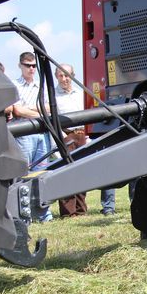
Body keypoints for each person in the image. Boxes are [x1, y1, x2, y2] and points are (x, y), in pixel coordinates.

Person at [11, 52, 53, 221]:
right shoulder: (14, 85)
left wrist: (29, 109)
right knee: (24, 173)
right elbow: (17, 110)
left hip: (41, 133)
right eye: (27, 65)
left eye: (34, 65)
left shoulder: (40, 85)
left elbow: (49, 107)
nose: (31, 69)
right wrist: (38, 110)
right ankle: (24, 215)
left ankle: (44, 214)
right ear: (20, 65)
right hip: (24, 135)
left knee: (42, 173)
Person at [54, 64, 89, 217]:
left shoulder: (81, 93)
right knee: (66, 172)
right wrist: (63, 137)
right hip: (66, 135)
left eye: (67, 75)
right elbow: (52, 119)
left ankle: (81, 210)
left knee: (82, 172)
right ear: (56, 77)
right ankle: (68, 212)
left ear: (72, 76)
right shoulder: (52, 95)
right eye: (61, 75)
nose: (64, 79)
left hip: (82, 134)